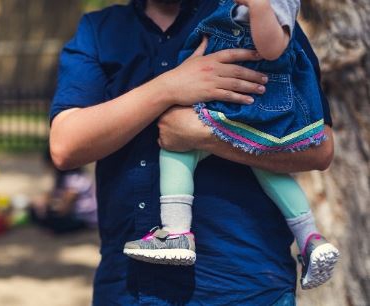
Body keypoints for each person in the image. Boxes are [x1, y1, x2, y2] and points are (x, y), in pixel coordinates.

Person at [49, 0, 335, 305]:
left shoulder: (252, 12)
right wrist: (167, 88)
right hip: (127, 288)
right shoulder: (99, 31)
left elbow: (319, 149)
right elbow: (65, 146)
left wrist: (203, 135)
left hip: (246, 286)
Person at [123, 0, 339, 291]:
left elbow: (273, 48)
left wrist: (259, 6)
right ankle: (310, 239)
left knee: (177, 150)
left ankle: (176, 232)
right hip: (247, 104)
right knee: (269, 171)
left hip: (243, 104)